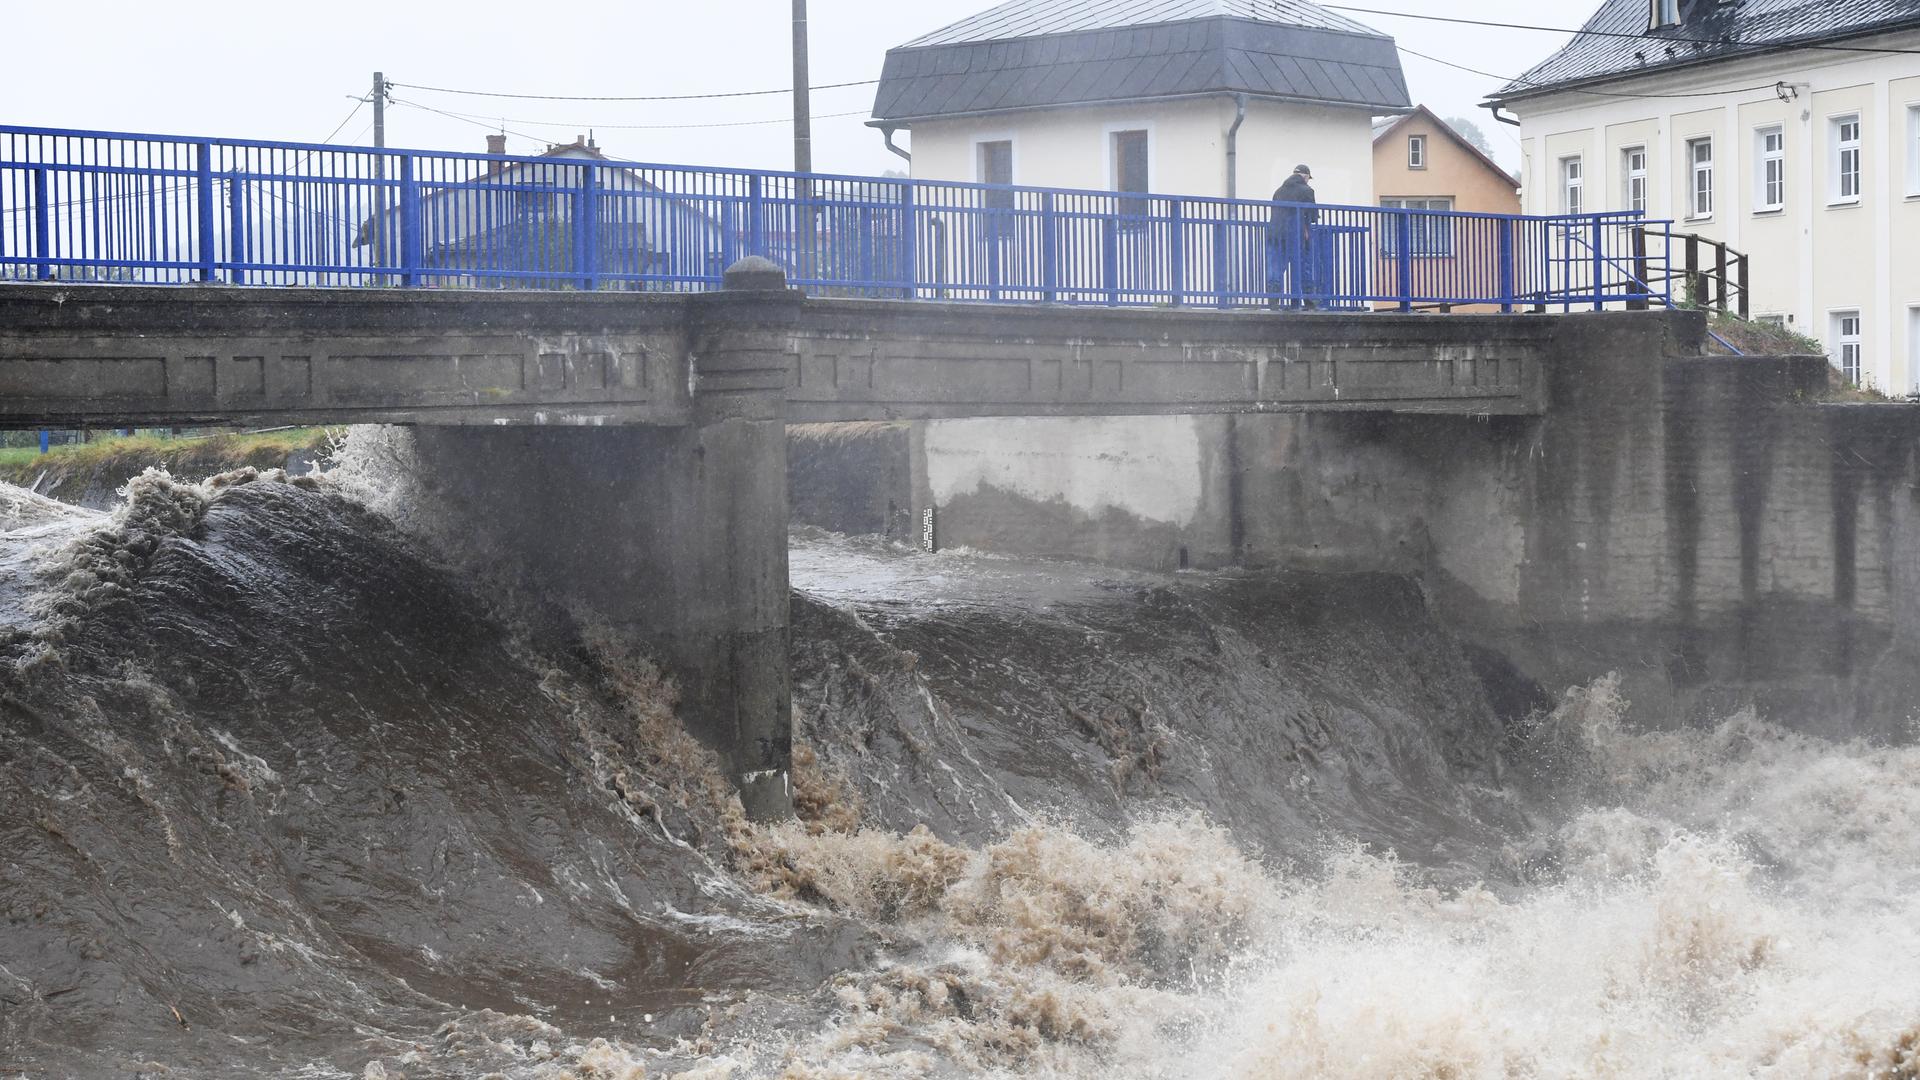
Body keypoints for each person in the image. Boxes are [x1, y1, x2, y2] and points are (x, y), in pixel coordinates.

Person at [1266, 164, 1319, 309]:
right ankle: (1309, 301)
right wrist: (1306, 229)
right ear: (1306, 176)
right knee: (1303, 267)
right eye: (1309, 178)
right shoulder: (1307, 190)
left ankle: (1273, 300)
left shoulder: (1279, 191)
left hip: (1276, 234)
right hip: (1296, 235)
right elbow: (1312, 215)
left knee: (1276, 267)